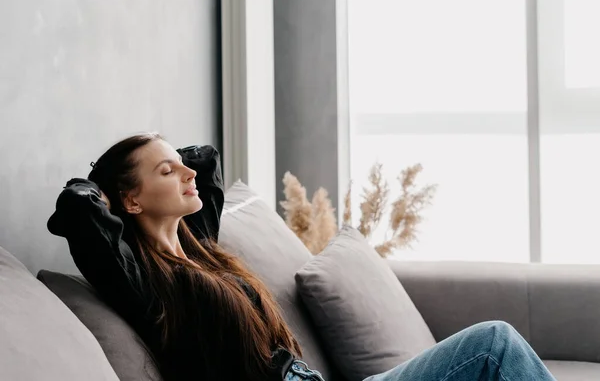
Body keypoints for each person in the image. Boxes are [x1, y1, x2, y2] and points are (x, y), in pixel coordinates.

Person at [48, 132, 556, 381]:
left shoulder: (200, 247)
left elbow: (205, 159)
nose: (188, 175)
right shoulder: (143, 279)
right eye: (166, 172)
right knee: (494, 347)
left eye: (180, 169)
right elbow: (78, 208)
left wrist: (166, 161)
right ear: (129, 200)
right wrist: (104, 188)